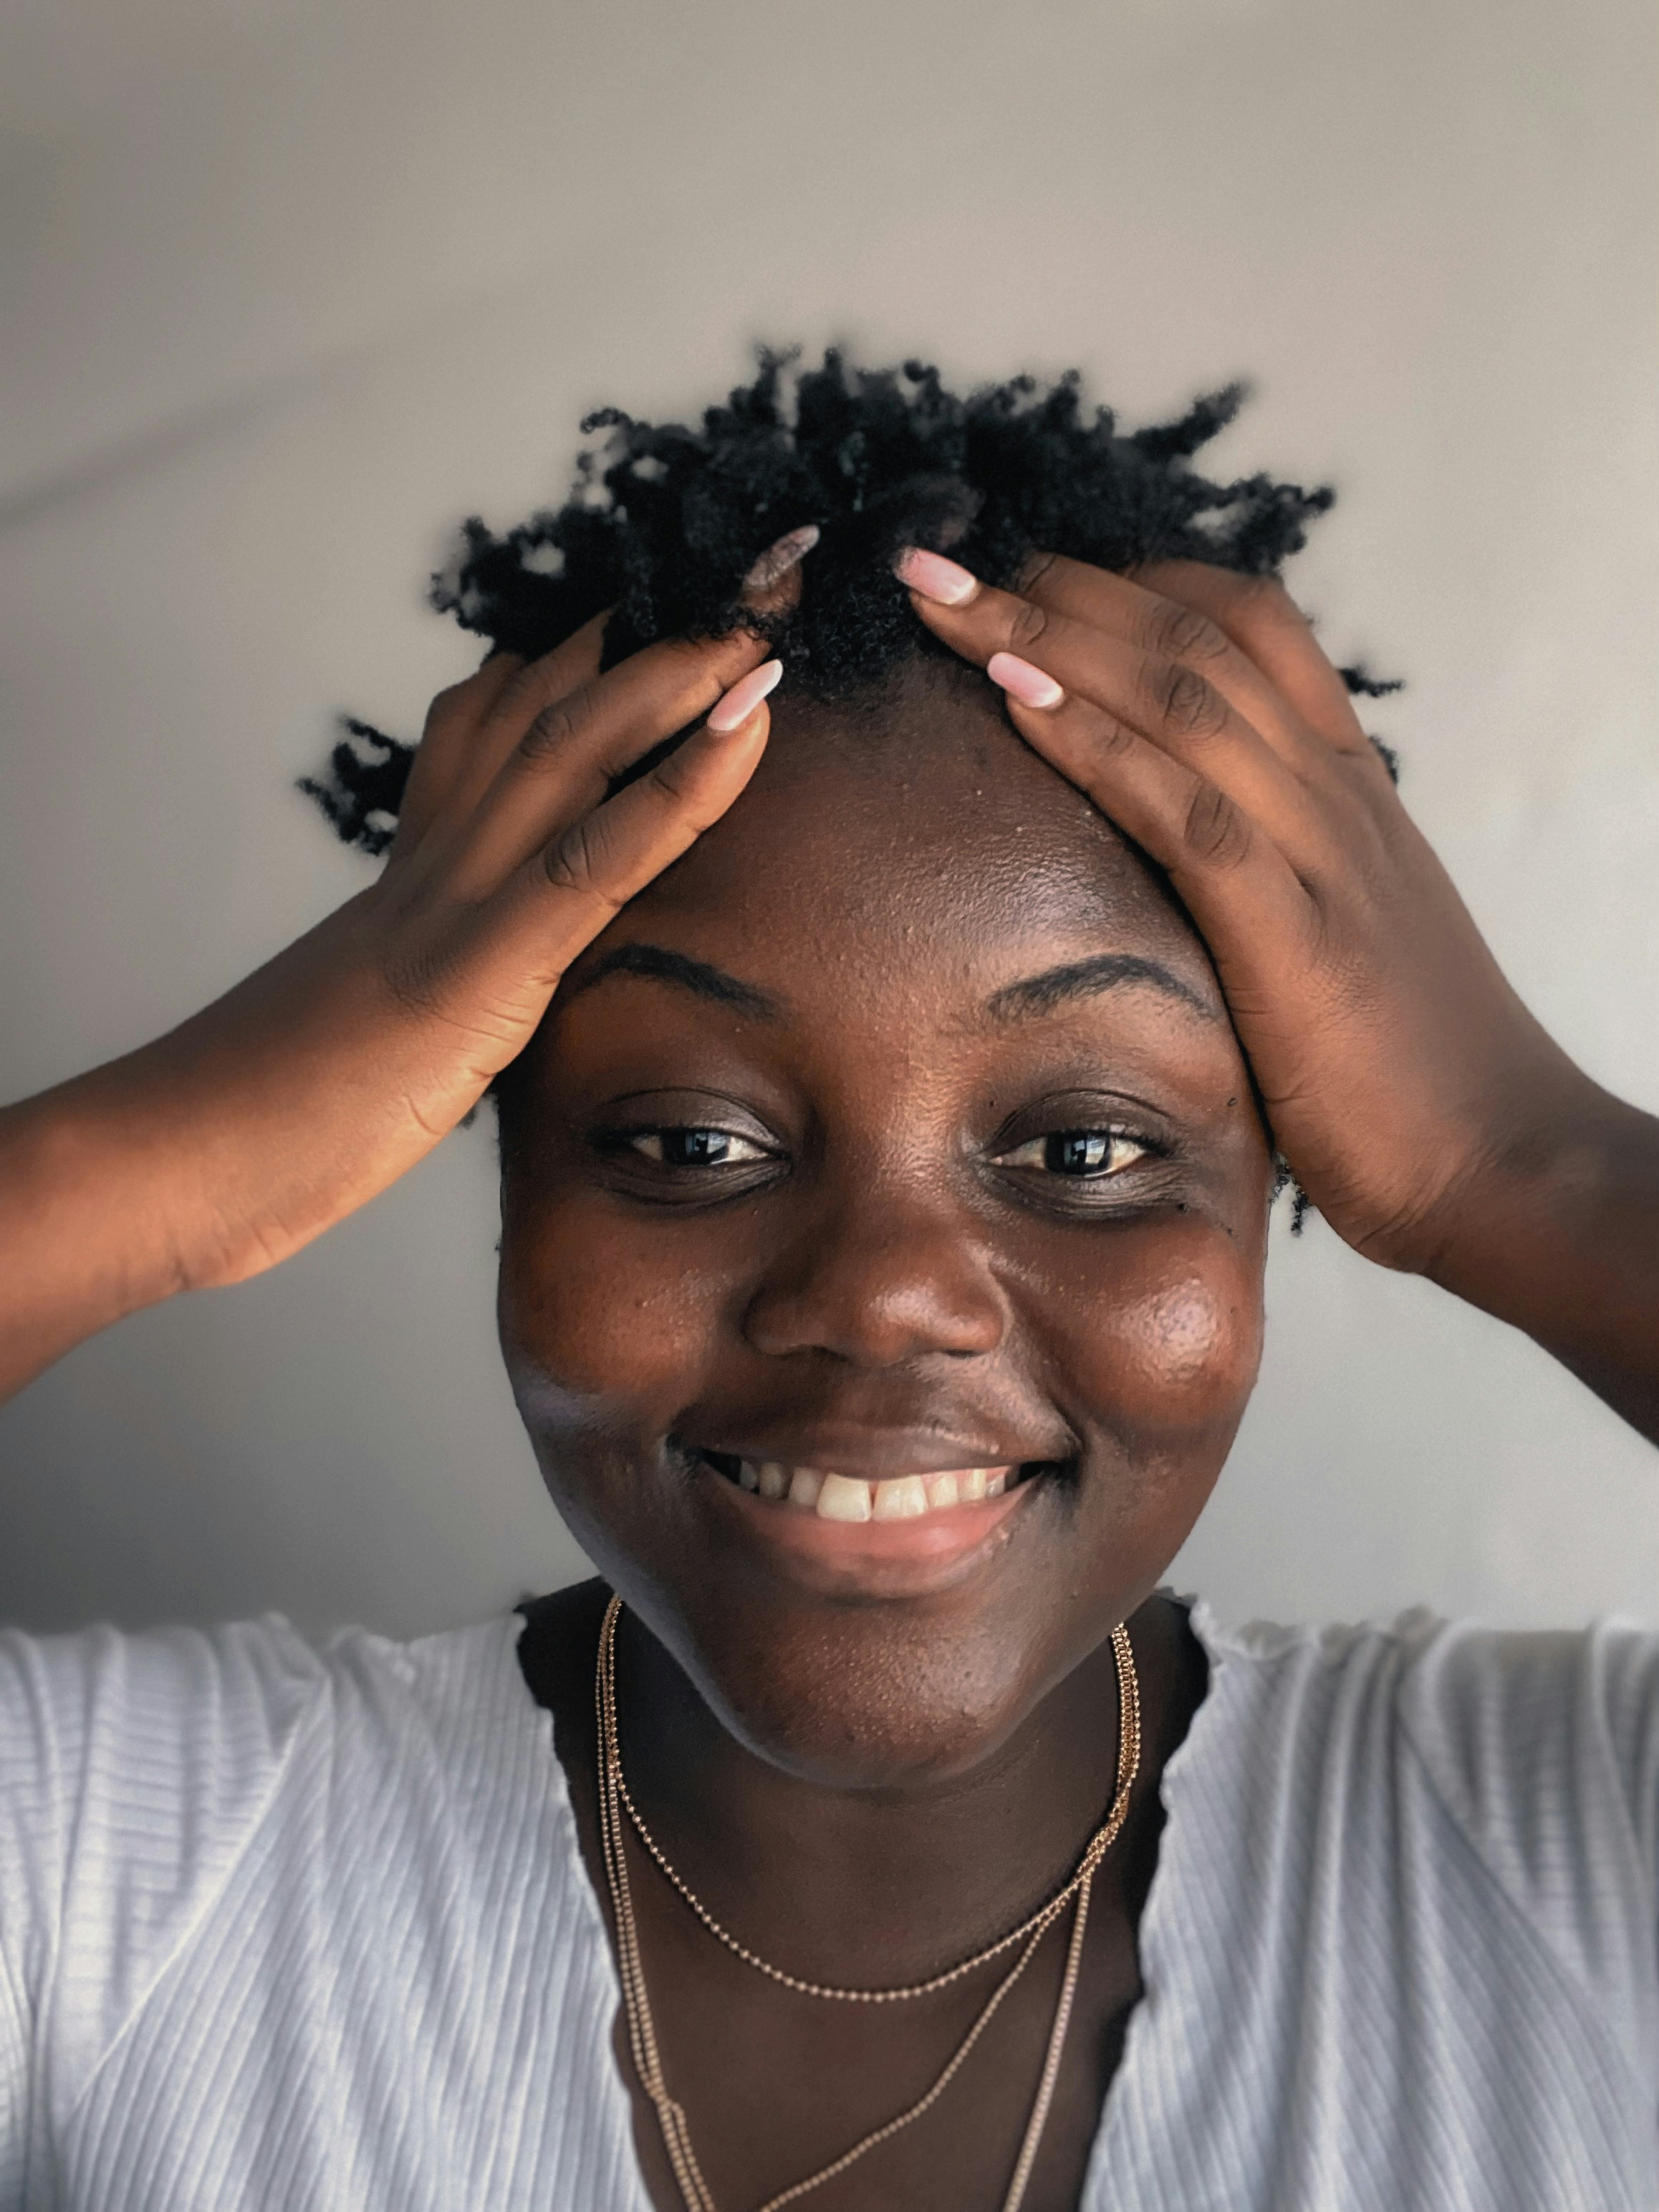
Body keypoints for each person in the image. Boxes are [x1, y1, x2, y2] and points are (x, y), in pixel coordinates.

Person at [1, 351, 1655, 2212]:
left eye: (1087, 1149)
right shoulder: (114, 1877)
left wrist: (1526, 1165)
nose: (882, 1299)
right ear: (476, 1155)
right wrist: (148, 1161)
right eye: (689, 1142)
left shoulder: (1576, 1861)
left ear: (1288, 1177)